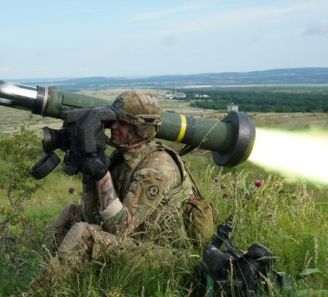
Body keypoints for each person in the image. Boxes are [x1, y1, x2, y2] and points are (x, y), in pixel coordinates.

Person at [46, 90, 214, 278]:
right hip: (138, 237)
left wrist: (102, 176)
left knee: (84, 233)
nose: (114, 127)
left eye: (122, 123)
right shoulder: (124, 156)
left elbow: (120, 228)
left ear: (141, 129)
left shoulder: (156, 168)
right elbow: (92, 214)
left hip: (166, 255)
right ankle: (56, 274)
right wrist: (88, 171)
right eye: (113, 120)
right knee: (70, 213)